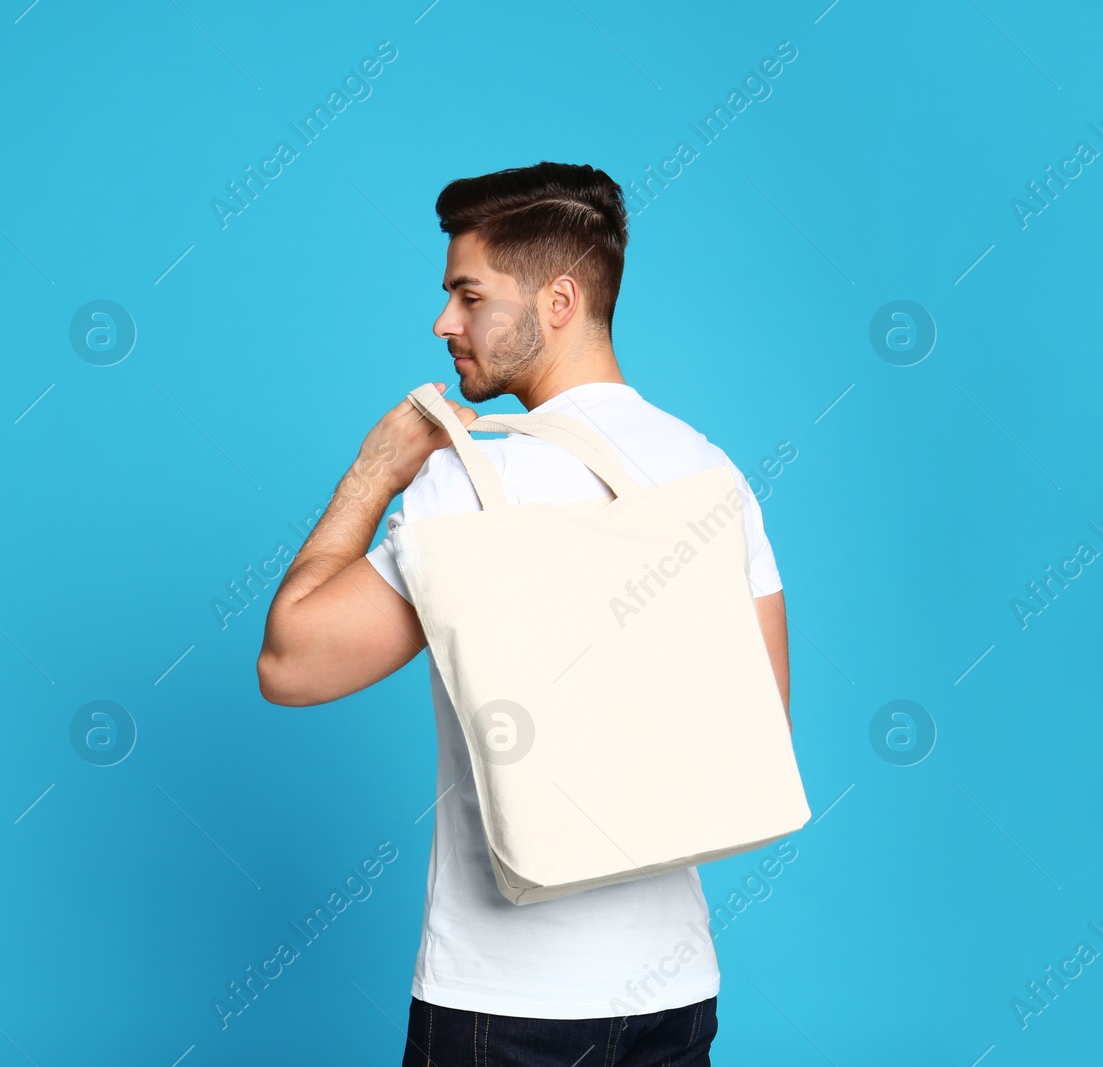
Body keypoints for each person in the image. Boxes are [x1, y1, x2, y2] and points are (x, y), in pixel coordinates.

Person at [256, 161, 790, 1066]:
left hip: (504, 1002)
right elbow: (760, 716)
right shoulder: (712, 472)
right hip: (676, 988)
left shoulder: (470, 479)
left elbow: (291, 663)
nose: (443, 322)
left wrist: (376, 468)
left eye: (469, 295)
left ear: (559, 299)